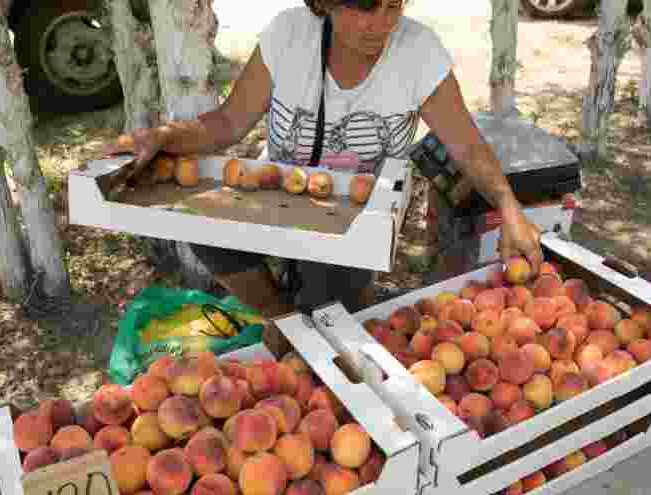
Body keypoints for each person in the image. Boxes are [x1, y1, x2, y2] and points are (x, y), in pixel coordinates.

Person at [102, 0, 544, 356]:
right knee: (201, 223)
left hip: (357, 219)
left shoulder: (418, 52)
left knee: (336, 324)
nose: (382, 24)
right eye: (365, 8)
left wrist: (509, 206)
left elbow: (465, 144)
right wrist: (165, 137)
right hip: (279, 198)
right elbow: (228, 123)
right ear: (324, 4)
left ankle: (321, 313)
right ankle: (281, 316)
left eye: (395, 7)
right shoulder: (288, 34)